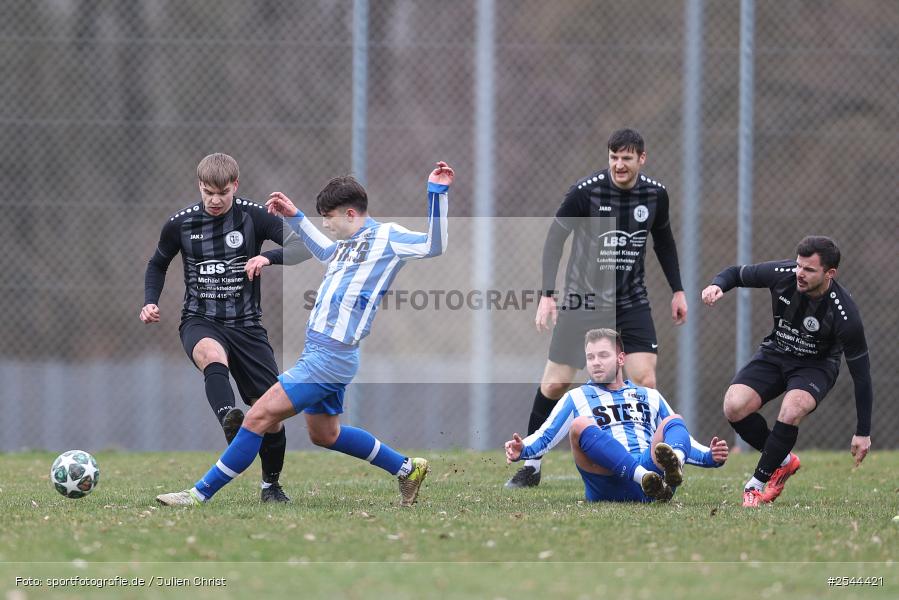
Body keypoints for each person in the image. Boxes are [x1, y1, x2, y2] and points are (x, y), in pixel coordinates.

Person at [156, 161, 454, 508]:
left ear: (352, 214)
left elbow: (435, 245)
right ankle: (406, 468)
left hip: (329, 358)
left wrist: (437, 193)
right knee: (325, 434)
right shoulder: (346, 244)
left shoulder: (387, 238)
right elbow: (324, 251)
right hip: (323, 353)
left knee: (256, 417)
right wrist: (295, 215)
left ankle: (197, 495)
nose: (326, 225)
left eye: (329, 218)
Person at [507, 128, 688, 488]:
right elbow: (554, 239)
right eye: (613, 158)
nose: (619, 165)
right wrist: (547, 294)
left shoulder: (655, 195)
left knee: (646, 380)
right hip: (583, 300)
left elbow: (664, 241)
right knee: (556, 383)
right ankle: (532, 464)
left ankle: (656, 463)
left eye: (626, 158)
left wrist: (678, 290)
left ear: (641, 159)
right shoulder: (585, 193)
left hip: (630, 301)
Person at [141, 153, 311, 503]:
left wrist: (268, 257)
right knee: (210, 354)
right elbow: (157, 264)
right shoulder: (180, 224)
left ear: (235, 185)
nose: (215, 200)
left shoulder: (254, 216)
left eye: (222, 192)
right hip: (200, 319)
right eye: (207, 192)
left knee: (272, 413)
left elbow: (302, 247)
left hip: (247, 326)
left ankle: (271, 486)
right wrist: (150, 300)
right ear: (199, 187)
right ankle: (228, 418)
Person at [701, 236, 873, 508]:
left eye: (809, 270)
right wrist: (716, 286)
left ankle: (755, 485)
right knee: (734, 406)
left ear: (830, 274)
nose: (800, 274)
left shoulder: (845, 314)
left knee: (791, 409)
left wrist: (863, 431)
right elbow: (735, 273)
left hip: (815, 367)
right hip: (776, 353)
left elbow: (862, 375)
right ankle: (783, 460)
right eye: (799, 266)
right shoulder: (783, 274)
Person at [504, 328, 728, 502]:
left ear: (621, 359)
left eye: (603, 355)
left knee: (673, 421)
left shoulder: (649, 395)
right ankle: (643, 477)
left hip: (654, 476)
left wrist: (710, 456)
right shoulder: (577, 397)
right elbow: (545, 436)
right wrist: (522, 448)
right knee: (580, 424)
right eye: (590, 357)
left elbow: (681, 438)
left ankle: (674, 467)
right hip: (607, 481)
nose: (596, 362)